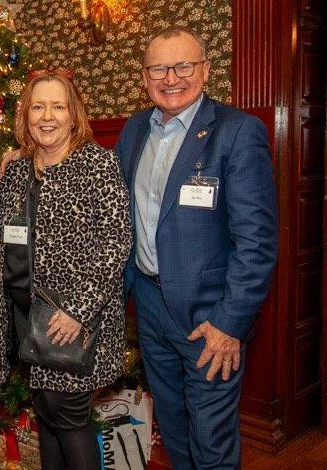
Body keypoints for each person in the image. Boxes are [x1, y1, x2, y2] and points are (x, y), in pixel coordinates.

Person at [115, 26, 278, 469]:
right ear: (144, 77)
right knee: (174, 426)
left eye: (183, 65)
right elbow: (106, 195)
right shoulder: (134, 130)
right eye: (158, 68)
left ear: (205, 70)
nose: (171, 78)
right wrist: (29, 155)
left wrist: (229, 322)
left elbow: (257, 241)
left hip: (211, 317)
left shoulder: (237, 131)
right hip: (150, 305)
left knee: (211, 439)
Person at [0, 70, 130, 470]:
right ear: (25, 115)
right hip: (24, 316)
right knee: (48, 415)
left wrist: (78, 310)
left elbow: (116, 243)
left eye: (58, 106)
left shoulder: (97, 164)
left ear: (73, 114)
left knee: (69, 417)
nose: (47, 116)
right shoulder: (18, 170)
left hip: (70, 319)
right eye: (38, 107)